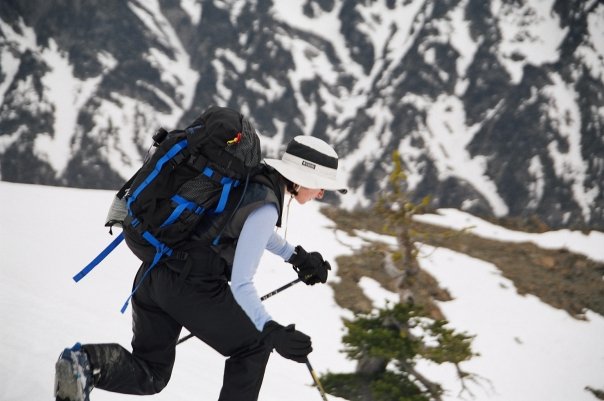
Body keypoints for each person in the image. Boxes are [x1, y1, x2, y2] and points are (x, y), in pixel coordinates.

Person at [54, 134, 348, 401]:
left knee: (152, 371)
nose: (322, 193)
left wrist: (296, 256)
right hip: (192, 286)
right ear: (302, 178)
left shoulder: (249, 180)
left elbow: (249, 230)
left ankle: (85, 363)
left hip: (155, 272)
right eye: (322, 186)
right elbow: (242, 283)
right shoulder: (266, 205)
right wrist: (271, 330)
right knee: (254, 347)